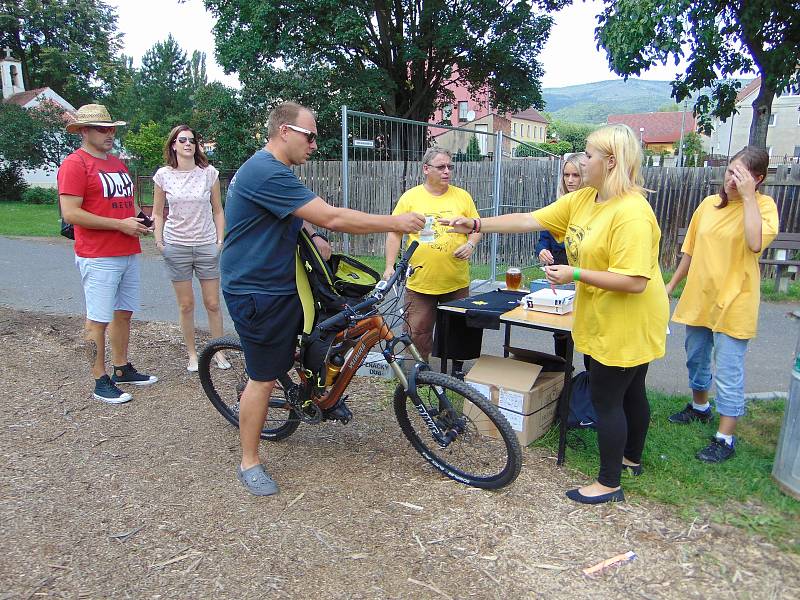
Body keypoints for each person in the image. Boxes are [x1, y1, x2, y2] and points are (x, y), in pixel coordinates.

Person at [443, 124, 669, 505]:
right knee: (628, 389)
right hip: (603, 311)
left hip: (629, 316)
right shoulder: (584, 200)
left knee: (608, 395)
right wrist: (477, 224)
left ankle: (609, 482)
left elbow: (633, 281)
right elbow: (531, 219)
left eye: (589, 154)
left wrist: (574, 273)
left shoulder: (632, 212)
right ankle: (630, 458)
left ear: (610, 162)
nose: (583, 160)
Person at [221, 101, 424, 497]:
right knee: (262, 378)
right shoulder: (266, 171)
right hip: (256, 291)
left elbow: (291, 218)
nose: (314, 143)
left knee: (316, 338)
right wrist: (395, 223)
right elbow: (331, 216)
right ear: (284, 132)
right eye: (309, 135)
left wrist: (312, 236)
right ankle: (249, 461)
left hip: (285, 284)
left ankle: (310, 393)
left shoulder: (273, 171)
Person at [665, 146, 778, 463]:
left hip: (736, 302)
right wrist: (671, 285)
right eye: (730, 171)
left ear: (757, 179)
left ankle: (725, 437)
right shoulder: (708, 205)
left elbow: (755, 243)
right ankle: (700, 407)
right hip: (702, 298)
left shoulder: (764, 208)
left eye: (740, 175)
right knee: (696, 358)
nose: (732, 179)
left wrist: (748, 197)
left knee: (729, 371)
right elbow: (690, 250)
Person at [58, 104, 158, 404]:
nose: (109, 133)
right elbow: (71, 213)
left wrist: (143, 219)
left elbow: (127, 202)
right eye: (102, 128)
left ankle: (121, 367)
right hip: (98, 254)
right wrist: (119, 225)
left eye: (112, 128)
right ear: (83, 131)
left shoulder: (116, 163)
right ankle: (99, 379)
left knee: (123, 313)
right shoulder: (75, 164)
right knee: (97, 319)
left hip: (126, 249)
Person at [383, 148, 482, 364]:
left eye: (450, 167)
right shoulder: (411, 197)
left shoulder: (462, 196)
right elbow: (394, 232)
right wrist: (389, 266)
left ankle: (455, 371)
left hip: (455, 280)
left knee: (458, 329)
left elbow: (477, 227)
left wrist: (471, 245)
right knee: (418, 331)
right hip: (421, 281)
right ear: (426, 169)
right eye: (441, 167)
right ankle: (418, 372)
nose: (447, 171)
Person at [152, 125, 229, 373]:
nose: (188, 144)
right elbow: (157, 211)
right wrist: (159, 241)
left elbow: (218, 210)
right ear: (173, 144)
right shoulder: (163, 175)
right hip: (176, 246)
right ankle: (193, 354)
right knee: (186, 305)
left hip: (206, 244)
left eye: (192, 141)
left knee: (213, 303)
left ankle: (217, 352)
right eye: (182, 140)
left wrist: (219, 241)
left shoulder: (209, 174)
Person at [535, 153, 585, 266]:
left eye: (576, 175)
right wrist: (542, 250)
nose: (570, 180)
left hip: (584, 274)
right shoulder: (557, 207)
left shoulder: (594, 208)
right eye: (566, 175)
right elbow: (543, 240)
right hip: (556, 271)